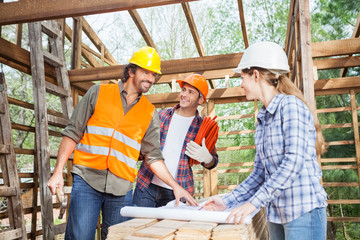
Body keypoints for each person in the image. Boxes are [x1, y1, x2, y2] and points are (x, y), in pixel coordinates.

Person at [47, 46, 197, 240]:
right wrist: (58, 171)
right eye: (146, 72)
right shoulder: (97, 92)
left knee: (118, 238)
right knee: (80, 237)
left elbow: (153, 157)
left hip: (121, 188)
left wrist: (175, 186)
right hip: (87, 180)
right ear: (131, 70)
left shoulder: (150, 113)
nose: (150, 79)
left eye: (153, 75)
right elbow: (72, 133)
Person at [202, 41, 328, 240]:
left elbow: (292, 163)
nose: (241, 84)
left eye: (242, 78)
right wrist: (228, 201)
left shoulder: (290, 106)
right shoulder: (263, 117)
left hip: (303, 212)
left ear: (255, 75)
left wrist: (252, 203)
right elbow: (260, 173)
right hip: (277, 214)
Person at [133, 74, 219, 207]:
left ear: (201, 99)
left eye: (191, 92)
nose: (184, 94)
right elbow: (143, 148)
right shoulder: (160, 116)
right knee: (137, 226)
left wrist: (207, 158)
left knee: (170, 227)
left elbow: (213, 163)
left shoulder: (203, 128)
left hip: (176, 192)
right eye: (184, 90)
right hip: (146, 185)